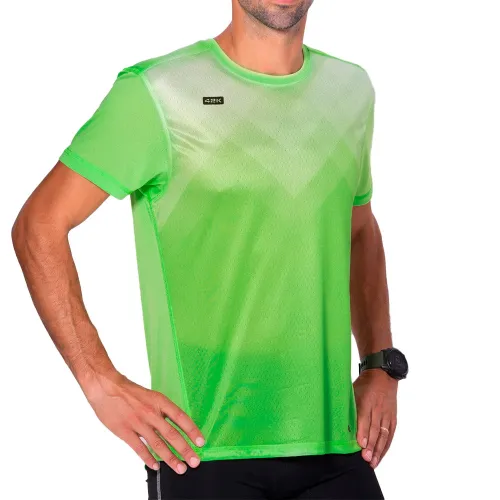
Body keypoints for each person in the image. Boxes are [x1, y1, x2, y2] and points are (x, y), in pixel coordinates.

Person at [12, 0, 409, 498]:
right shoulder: (157, 93)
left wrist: (380, 363)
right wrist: (99, 381)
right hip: (203, 452)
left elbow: (358, 229)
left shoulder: (350, 90)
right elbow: (39, 225)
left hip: (336, 444)